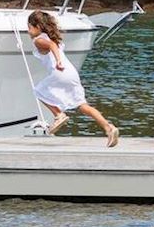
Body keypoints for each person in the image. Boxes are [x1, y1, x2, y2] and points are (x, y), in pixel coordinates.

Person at [27, 10, 120, 147]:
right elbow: (54, 45)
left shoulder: (39, 40)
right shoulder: (52, 37)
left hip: (60, 71)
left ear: (38, 27)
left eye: (29, 27)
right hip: (71, 73)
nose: (28, 31)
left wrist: (58, 62)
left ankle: (59, 115)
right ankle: (109, 128)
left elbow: (52, 47)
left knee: (38, 91)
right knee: (83, 106)